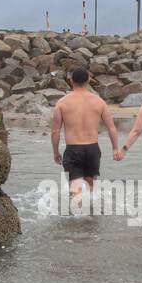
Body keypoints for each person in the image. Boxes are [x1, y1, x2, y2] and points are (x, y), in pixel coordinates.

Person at [51, 67, 120, 203]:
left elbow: (55, 131)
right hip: (92, 150)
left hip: (73, 150)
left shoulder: (62, 103)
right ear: (88, 80)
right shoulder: (99, 102)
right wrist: (115, 148)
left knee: (76, 193)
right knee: (91, 192)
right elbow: (111, 127)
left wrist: (55, 152)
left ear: (71, 81)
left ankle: (77, 221)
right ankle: (91, 221)